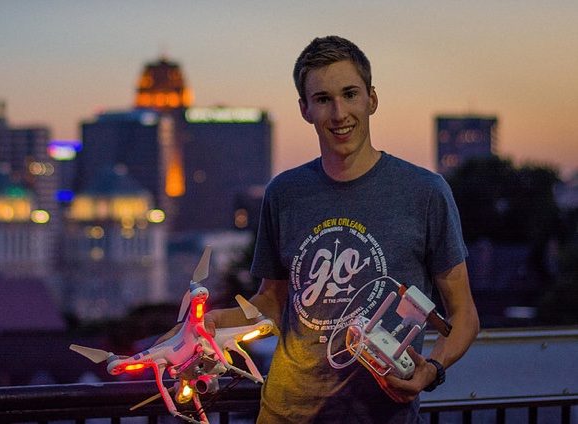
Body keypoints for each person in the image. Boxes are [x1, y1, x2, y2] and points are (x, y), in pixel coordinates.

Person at [167, 36, 480, 423]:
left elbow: (464, 313)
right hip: (284, 412)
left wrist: (431, 369)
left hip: (380, 416)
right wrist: (215, 322)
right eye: (323, 99)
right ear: (305, 109)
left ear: (372, 99)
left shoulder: (425, 192)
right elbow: (273, 303)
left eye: (350, 94)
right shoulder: (284, 192)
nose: (338, 113)